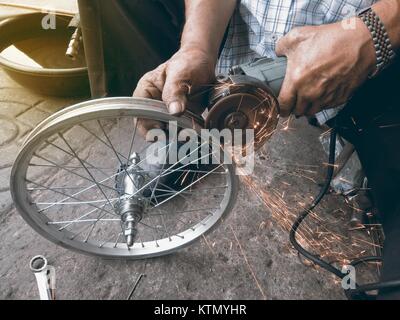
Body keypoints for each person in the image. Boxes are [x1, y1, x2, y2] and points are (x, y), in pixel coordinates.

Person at [77, 0, 400, 299]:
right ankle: (192, 128)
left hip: (380, 61)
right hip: (247, 36)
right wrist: (196, 46)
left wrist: (372, 33)